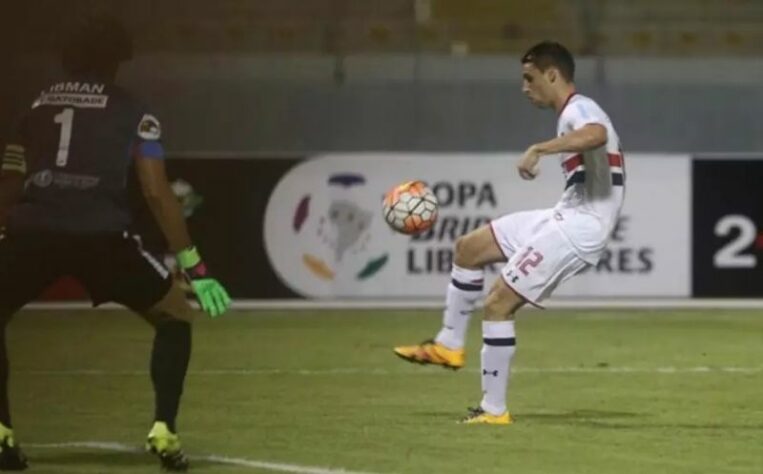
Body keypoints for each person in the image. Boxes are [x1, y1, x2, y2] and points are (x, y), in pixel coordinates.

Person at [0, 16, 231, 470]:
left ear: (68, 60)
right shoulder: (135, 113)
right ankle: (164, 428)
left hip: (34, 232)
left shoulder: (36, 108)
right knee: (174, 315)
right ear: (118, 63)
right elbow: (155, 191)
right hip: (101, 236)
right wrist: (195, 267)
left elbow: (11, 179)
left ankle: (2, 432)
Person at [393, 41, 625, 425]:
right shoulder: (570, 113)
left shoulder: (580, 110)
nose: (524, 87)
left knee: (498, 301)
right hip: (563, 215)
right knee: (469, 248)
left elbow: (596, 134)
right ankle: (449, 344)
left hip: (581, 228)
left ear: (553, 75)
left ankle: (493, 409)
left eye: (529, 78)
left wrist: (539, 149)